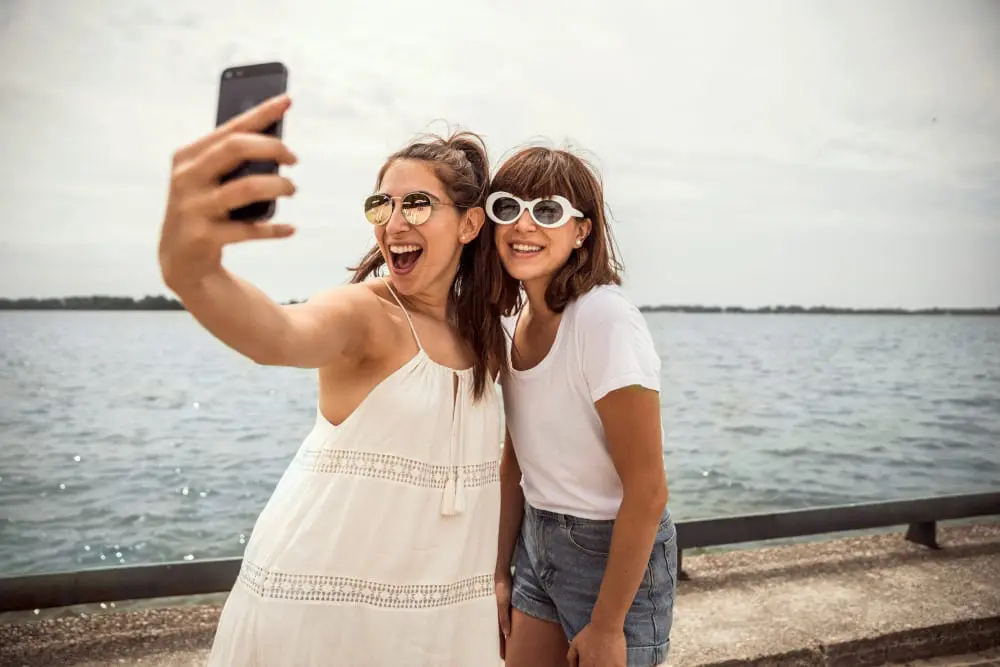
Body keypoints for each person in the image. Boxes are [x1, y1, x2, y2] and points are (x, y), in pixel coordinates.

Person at [157, 94, 509, 666]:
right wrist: (190, 270)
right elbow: (277, 332)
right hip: (324, 614)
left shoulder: (483, 334)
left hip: (440, 620)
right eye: (382, 205)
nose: (394, 223)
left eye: (418, 205)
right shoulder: (364, 315)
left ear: (470, 224)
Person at [489, 146, 678, 667]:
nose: (523, 224)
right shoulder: (511, 323)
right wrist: (500, 570)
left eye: (547, 211)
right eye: (506, 208)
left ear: (582, 231)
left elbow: (648, 488)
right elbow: (514, 464)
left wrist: (608, 624)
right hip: (537, 538)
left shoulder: (603, 319)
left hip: (611, 555)